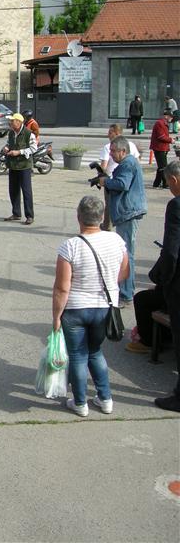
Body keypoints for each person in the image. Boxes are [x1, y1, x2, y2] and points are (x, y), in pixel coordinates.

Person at [52, 196, 128, 417]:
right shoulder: (116, 240)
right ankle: (105, 398)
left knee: (77, 355)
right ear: (102, 217)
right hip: (104, 306)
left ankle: (80, 401)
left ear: (79, 218)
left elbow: (62, 288)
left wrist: (56, 316)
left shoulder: (70, 246)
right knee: (95, 352)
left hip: (75, 308)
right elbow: (123, 273)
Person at [100, 136, 147, 305]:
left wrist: (106, 181)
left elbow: (122, 184)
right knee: (126, 253)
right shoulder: (128, 163)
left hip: (128, 212)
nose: (111, 154)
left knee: (126, 255)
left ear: (123, 151)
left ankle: (126, 293)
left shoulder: (127, 163)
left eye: (113, 151)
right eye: (110, 151)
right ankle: (125, 290)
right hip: (128, 211)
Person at [150, 161, 180, 412]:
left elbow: (171, 252)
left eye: (169, 183)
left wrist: (163, 278)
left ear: (175, 181)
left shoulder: (177, 205)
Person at [99, 124, 141, 231]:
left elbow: (104, 166)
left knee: (110, 204)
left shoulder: (109, 148)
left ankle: (107, 226)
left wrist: (104, 180)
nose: (108, 135)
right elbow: (138, 162)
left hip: (113, 181)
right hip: (129, 189)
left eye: (110, 132)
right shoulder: (130, 146)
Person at [1, 112, 37, 226]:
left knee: (26, 191)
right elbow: (8, 143)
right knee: (13, 190)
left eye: (12, 121)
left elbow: (33, 148)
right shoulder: (11, 133)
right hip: (13, 165)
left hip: (24, 166)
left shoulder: (28, 133)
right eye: (10, 121)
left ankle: (29, 215)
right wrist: (6, 148)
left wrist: (19, 152)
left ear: (19, 122)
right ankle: (16, 213)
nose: (10, 123)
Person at [150, 109, 174, 189]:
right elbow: (161, 136)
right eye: (170, 117)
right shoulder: (160, 123)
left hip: (162, 147)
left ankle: (157, 183)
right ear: (166, 116)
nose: (171, 118)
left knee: (161, 166)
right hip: (159, 147)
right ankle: (165, 183)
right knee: (163, 167)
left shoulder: (163, 123)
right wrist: (171, 140)